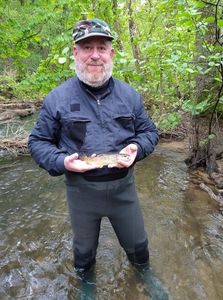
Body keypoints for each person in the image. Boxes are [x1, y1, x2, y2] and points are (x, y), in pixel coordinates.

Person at [28, 18, 159, 275]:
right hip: (81, 192)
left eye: (102, 47)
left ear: (111, 53)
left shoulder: (130, 95)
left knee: (139, 246)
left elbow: (149, 132)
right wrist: (61, 161)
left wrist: (136, 148)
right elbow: (38, 142)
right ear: (76, 53)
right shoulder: (57, 99)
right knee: (84, 254)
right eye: (87, 47)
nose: (95, 55)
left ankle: (145, 278)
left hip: (123, 189)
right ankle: (86, 287)